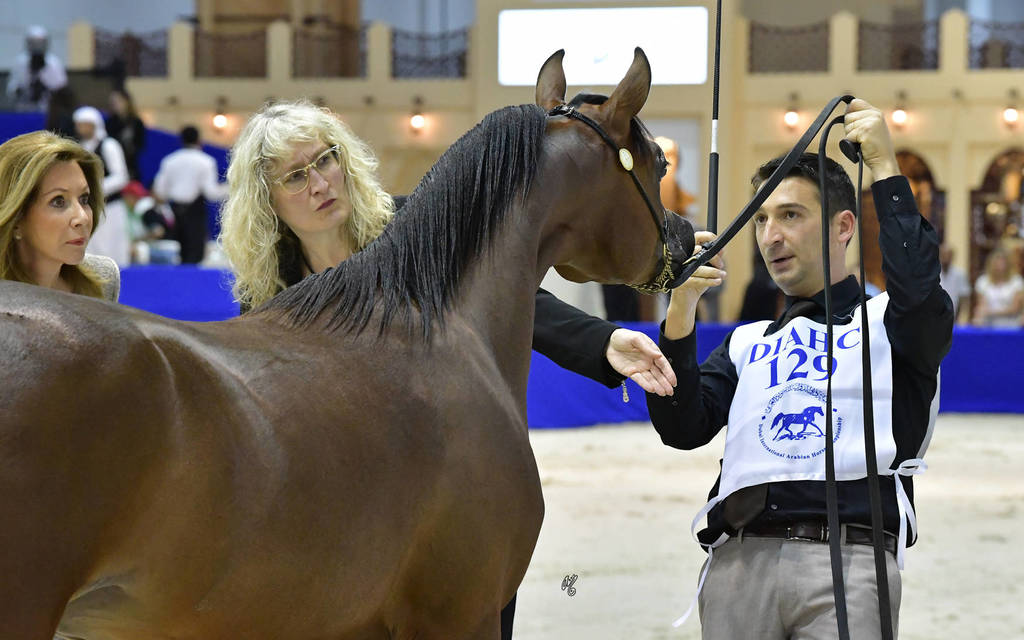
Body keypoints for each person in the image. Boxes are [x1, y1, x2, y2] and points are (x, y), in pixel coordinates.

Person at [219, 99, 678, 640]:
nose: (319, 183)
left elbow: (509, 294)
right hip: (347, 514)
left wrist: (602, 341)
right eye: (294, 177)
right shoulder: (267, 301)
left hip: (447, 484)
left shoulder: (417, 228)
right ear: (267, 201)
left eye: (324, 160)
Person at [647, 99, 952, 639]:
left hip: (850, 561)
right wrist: (679, 312)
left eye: (790, 215)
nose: (770, 236)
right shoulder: (745, 343)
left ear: (843, 226)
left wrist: (884, 168)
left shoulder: (894, 321)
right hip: (737, 565)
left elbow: (921, 290)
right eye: (761, 219)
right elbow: (681, 426)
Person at [0, 130, 118, 301]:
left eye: (84, 199)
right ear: (16, 218)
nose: (82, 218)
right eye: (58, 201)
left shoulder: (103, 280)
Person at [153, 125, 220, 264]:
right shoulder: (206, 161)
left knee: (176, 257)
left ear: (181, 140)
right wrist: (230, 188)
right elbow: (211, 193)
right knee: (195, 256)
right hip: (195, 212)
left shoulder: (170, 161)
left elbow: (159, 191)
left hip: (175, 211)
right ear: (199, 141)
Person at [74, 105, 131, 266]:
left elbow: (121, 176)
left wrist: (94, 189)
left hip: (110, 208)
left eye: (84, 124)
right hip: (88, 208)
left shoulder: (109, 145)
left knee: (111, 251)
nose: (80, 128)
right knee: (90, 250)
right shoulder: (80, 147)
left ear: (94, 125)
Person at [5, 26, 67, 111]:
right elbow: (11, 89)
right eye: (33, 43)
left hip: (48, 110)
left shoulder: (54, 63)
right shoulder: (20, 62)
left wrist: (45, 87)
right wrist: (21, 90)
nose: (37, 46)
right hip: (24, 109)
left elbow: (62, 89)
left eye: (40, 43)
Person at [971, 247, 1023, 328]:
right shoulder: (982, 281)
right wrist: (978, 316)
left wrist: (990, 312)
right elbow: (982, 305)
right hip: (988, 325)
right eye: (997, 263)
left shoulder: (1017, 281)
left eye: (1003, 262)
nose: (1000, 266)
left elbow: (1015, 308)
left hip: (1011, 326)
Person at [106, 89, 147, 181]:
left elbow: (141, 144)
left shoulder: (136, 122)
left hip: (131, 165)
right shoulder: (110, 122)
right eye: (113, 102)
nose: (115, 104)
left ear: (127, 102)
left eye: (118, 101)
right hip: (113, 163)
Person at [938, 243, 970, 322]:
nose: (946, 258)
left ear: (952, 257)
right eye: (943, 255)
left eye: (948, 255)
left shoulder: (960, 274)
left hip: (954, 316)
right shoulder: (933, 274)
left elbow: (963, 297)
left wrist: (958, 317)